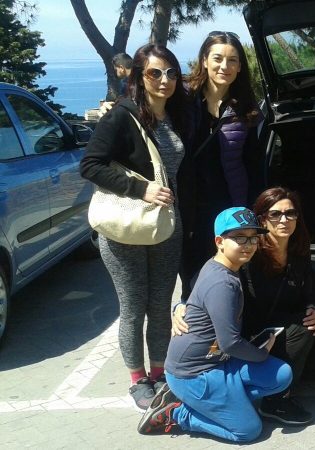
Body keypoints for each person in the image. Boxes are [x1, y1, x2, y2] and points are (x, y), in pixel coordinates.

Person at [172, 187, 315, 426]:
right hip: (251, 335)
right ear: (262, 219)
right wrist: (180, 306)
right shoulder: (248, 251)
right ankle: (277, 400)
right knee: (302, 331)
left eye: (290, 213)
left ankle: (270, 378)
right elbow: (203, 284)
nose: (284, 220)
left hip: (282, 332)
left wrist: (314, 309)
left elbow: (308, 292)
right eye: (275, 214)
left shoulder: (299, 252)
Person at [80, 44, 188, 409]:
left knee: (160, 305)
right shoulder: (123, 116)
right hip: (124, 226)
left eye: (171, 73)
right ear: (140, 76)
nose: (165, 80)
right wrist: (141, 188)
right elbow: (90, 165)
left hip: (167, 225)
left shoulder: (177, 114)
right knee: (133, 306)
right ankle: (138, 380)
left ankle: (159, 375)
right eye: (155, 73)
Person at [139, 207, 293, 442]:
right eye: (239, 237)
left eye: (253, 237)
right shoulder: (223, 282)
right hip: (194, 373)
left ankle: (225, 403)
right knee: (248, 431)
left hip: (219, 362)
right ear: (220, 241)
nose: (249, 244)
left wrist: (179, 307)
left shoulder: (222, 266)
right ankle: (178, 413)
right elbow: (230, 343)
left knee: (282, 375)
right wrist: (261, 354)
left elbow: (197, 304)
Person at [180, 30, 264, 301]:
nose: (224, 66)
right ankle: (196, 338)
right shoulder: (182, 100)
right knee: (193, 279)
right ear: (204, 60)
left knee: (231, 281)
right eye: (217, 58)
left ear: (240, 67)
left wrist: (255, 211)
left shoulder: (247, 110)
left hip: (229, 209)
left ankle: (229, 338)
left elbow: (254, 164)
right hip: (188, 207)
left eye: (232, 60)